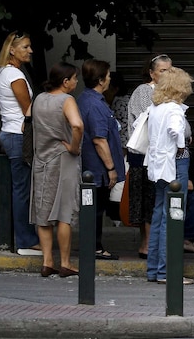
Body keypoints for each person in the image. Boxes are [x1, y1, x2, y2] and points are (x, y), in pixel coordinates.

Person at [29, 62, 83, 278]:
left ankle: (47, 261)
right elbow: (77, 125)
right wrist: (74, 146)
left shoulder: (39, 98)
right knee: (63, 212)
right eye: (74, 78)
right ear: (65, 81)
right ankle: (66, 263)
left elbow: (27, 117)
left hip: (41, 158)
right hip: (63, 158)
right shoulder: (67, 100)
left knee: (43, 210)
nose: (77, 82)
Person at [145, 66, 194, 284]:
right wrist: (181, 144)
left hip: (157, 165)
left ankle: (154, 269)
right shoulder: (175, 109)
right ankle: (168, 272)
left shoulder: (155, 108)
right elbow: (176, 131)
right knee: (174, 215)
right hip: (176, 163)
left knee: (159, 214)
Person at [0, 31, 41, 255]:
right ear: (12, 50)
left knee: (20, 189)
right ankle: (25, 241)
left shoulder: (4, 73)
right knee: (23, 190)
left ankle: (24, 239)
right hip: (18, 135)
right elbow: (28, 111)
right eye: (25, 47)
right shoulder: (15, 76)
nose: (30, 51)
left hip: (11, 133)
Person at [77, 59, 126, 261]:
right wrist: (111, 168)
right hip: (97, 168)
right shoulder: (95, 104)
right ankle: (95, 248)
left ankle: (92, 246)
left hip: (91, 165)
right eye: (107, 76)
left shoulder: (84, 98)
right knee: (95, 210)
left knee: (92, 209)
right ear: (100, 80)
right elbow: (99, 139)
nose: (109, 79)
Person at [127, 54, 172, 258]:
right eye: (162, 70)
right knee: (146, 200)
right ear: (152, 73)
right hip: (143, 154)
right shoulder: (144, 91)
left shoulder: (169, 92)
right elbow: (147, 118)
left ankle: (152, 244)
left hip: (159, 154)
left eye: (170, 69)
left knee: (155, 199)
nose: (167, 73)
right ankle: (146, 245)